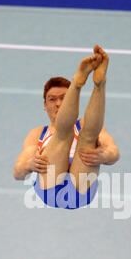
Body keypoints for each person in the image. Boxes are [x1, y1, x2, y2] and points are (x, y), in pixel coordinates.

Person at [13, 45, 120, 209]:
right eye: (52, 99)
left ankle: (100, 84)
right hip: (51, 189)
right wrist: (29, 164)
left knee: (88, 136)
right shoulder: (37, 134)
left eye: (64, 98)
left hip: (81, 188)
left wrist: (104, 156)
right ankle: (77, 83)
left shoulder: (85, 124)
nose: (58, 104)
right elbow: (18, 172)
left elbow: (114, 152)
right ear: (44, 105)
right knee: (63, 134)